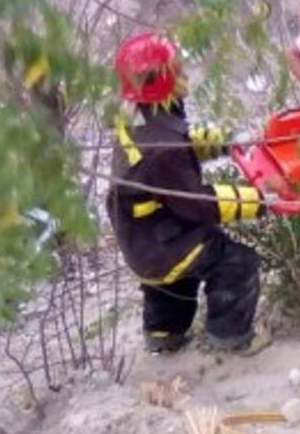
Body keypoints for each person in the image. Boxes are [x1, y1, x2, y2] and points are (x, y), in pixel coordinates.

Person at [106, 32, 269, 355]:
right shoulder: (163, 147)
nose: (184, 73)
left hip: (141, 240)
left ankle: (164, 334)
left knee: (170, 282)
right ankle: (230, 339)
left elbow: (182, 145)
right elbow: (199, 204)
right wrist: (260, 199)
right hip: (163, 241)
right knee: (234, 261)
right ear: (166, 78)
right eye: (177, 68)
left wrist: (229, 141)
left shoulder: (136, 123)